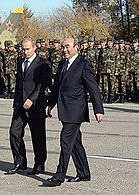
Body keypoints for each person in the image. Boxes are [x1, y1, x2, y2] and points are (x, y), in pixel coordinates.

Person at [44, 37, 104, 187]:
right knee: (75, 142)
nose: (65, 49)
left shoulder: (83, 64)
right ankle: (84, 173)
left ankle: (59, 176)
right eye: (63, 47)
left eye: (68, 47)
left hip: (76, 110)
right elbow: (57, 87)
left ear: (76, 47)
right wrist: (50, 104)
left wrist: (98, 109)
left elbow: (93, 88)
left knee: (65, 139)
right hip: (65, 109)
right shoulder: (62, 64)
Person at [6, 37, 51, 175]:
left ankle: (39, 164)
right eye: (23, 49)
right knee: (14, 132)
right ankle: (20, 162)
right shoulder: (20, 62)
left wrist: (32, 99)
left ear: (34, 48)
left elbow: (42, 84)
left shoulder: (43, 63)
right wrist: (16, 103)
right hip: (20, 104)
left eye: (28, 49)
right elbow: (20, 85)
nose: (25, 52)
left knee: (38, 136)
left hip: (35, 105)